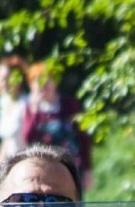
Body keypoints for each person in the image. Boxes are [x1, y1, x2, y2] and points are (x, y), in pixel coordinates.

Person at [23, 60, 93, 193]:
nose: (42, 85)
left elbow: (83, 138)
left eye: (46, 80)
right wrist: (34, 111)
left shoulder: (70, 105)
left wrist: (88, 169)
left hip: (72, 167)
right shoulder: (31, 110)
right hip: (45, 169)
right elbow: (28, 137)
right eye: (37, 81)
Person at [0, 55, 30, 167]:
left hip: (26, 162)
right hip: (9, 164)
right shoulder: (2, 102)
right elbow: (7, 139)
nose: (2, 83)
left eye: (6, 78)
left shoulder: (26, 104)